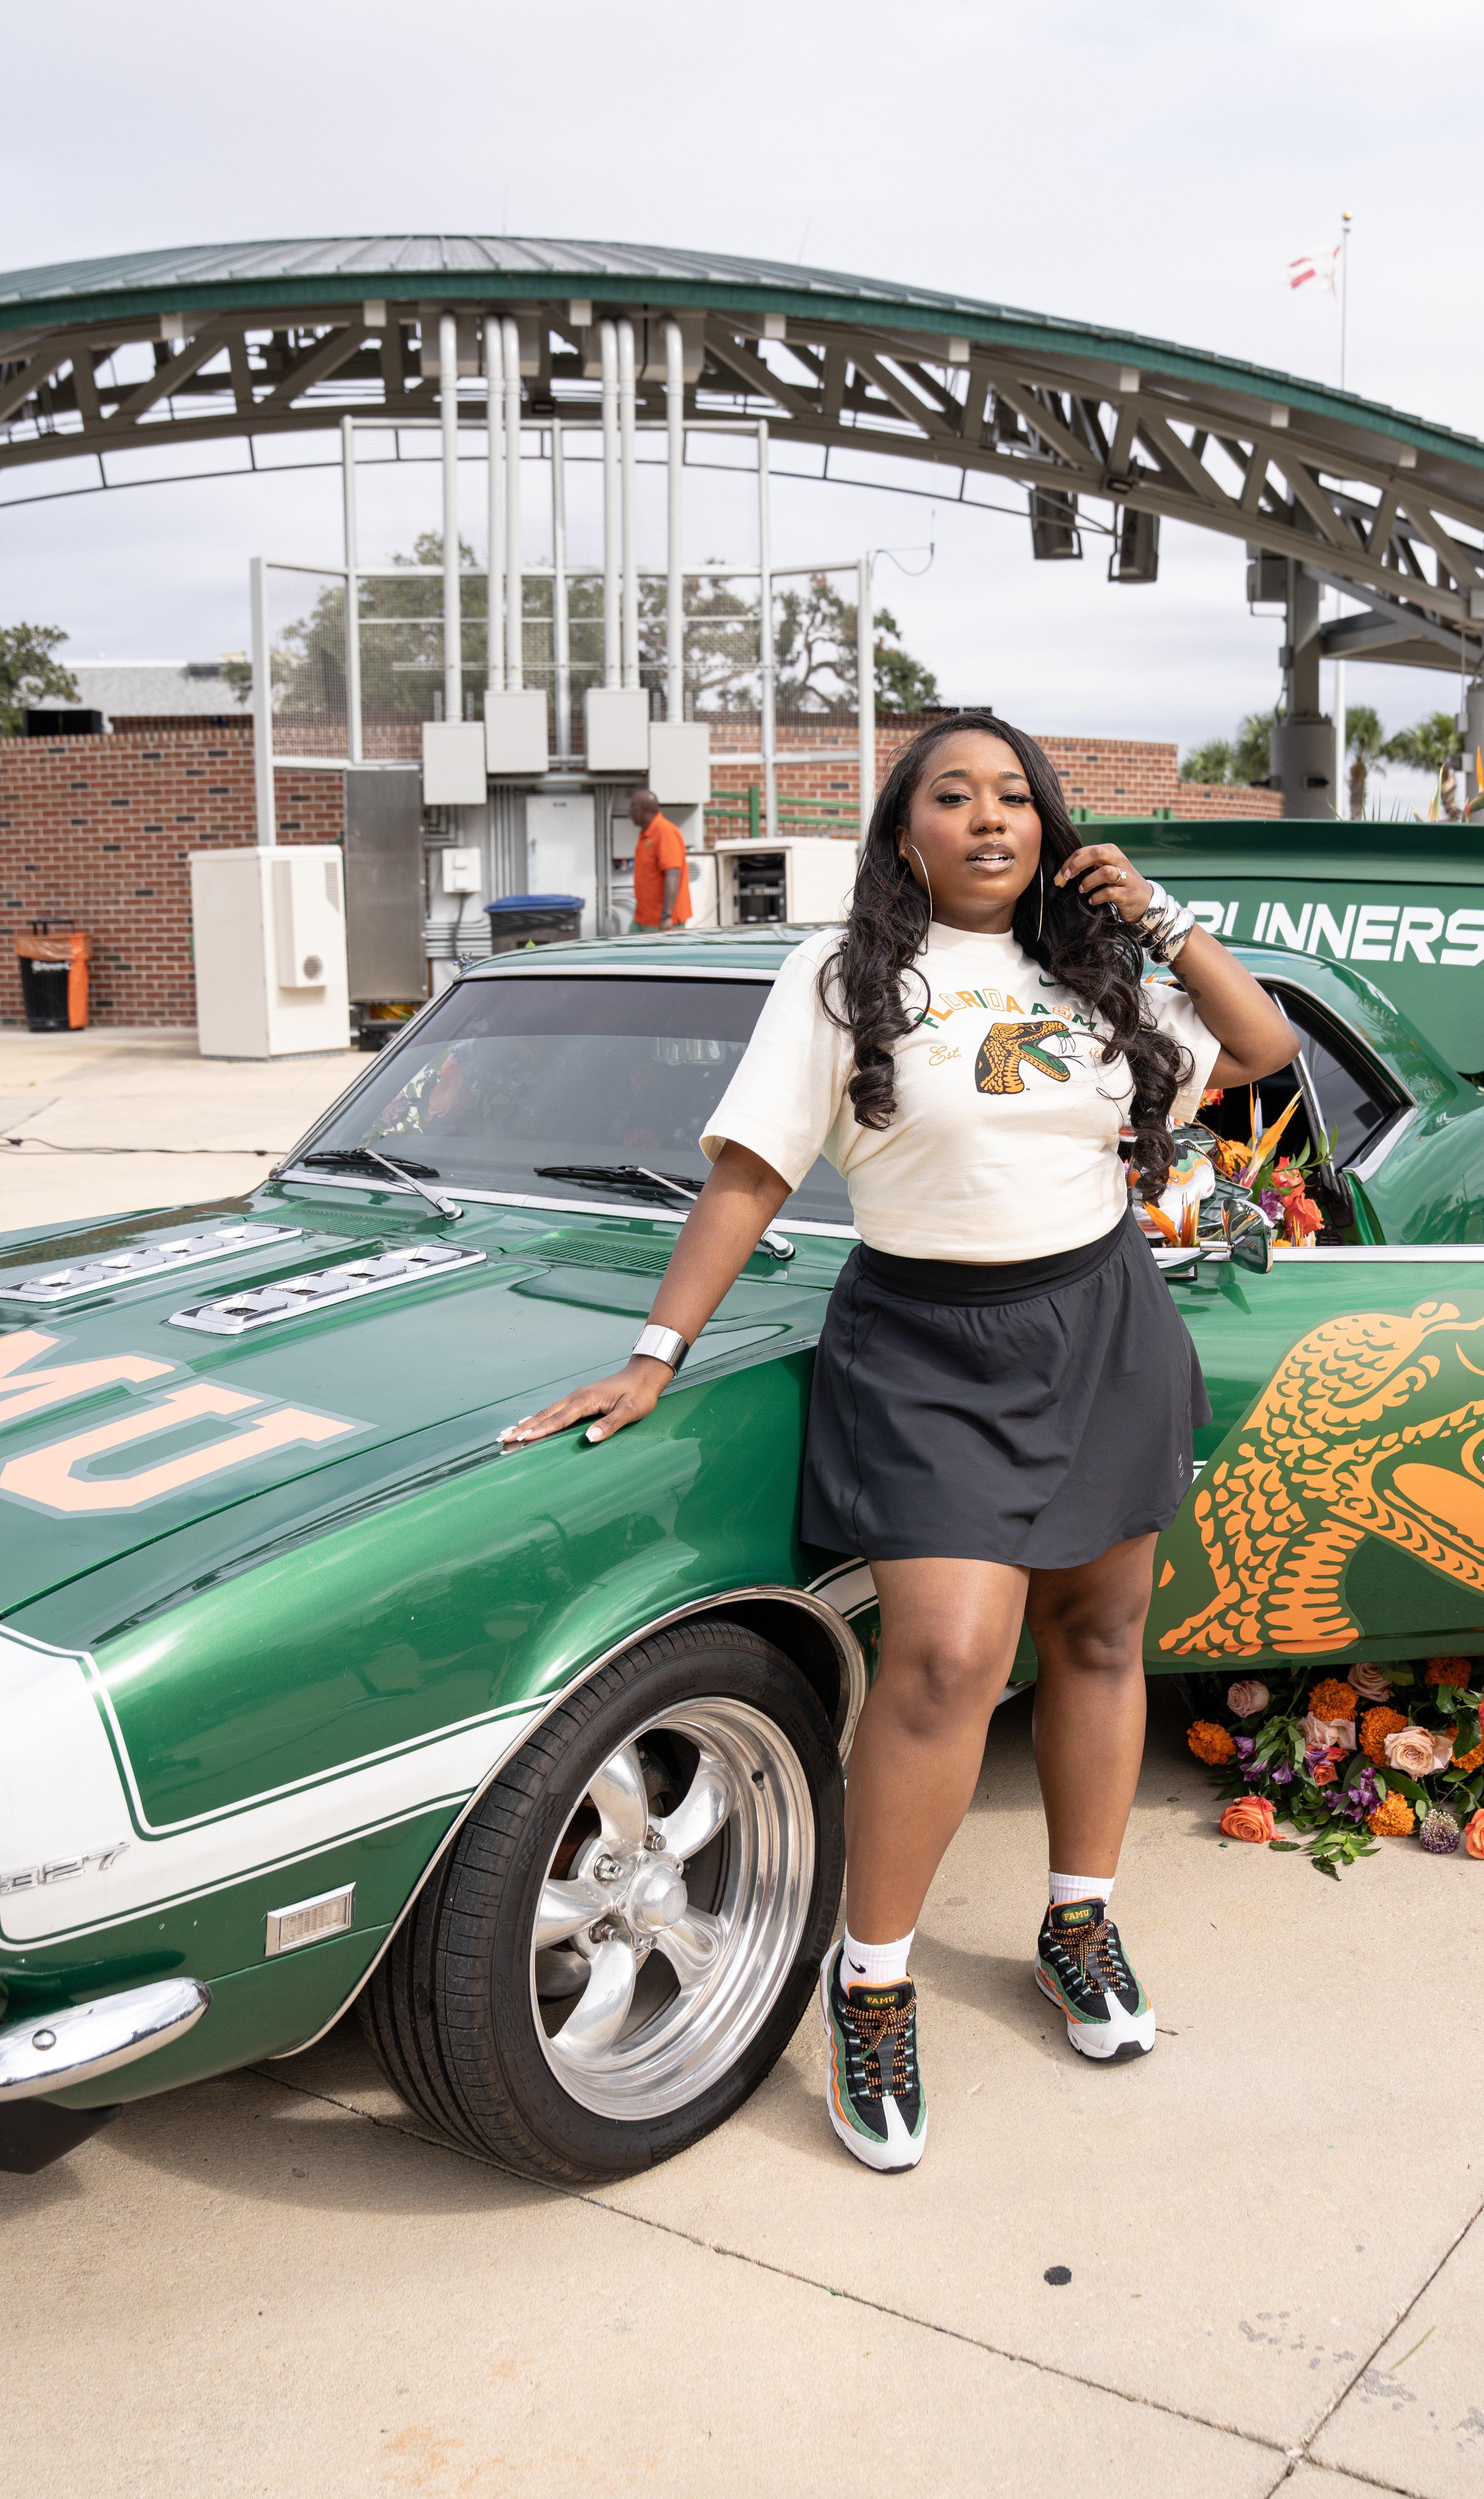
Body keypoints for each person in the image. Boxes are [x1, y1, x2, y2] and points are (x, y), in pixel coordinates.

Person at [501, 714, 1299, 2173]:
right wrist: (651, 1354)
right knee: (944, 1660)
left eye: (1016, 797)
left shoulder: (1093, 970)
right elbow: (750, 1174)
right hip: (929, 1342)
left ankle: (1078, 1919)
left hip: (1104, 1324)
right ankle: (869, 1982)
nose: (990, 820)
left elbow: (1261, 1048)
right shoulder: (842, 975)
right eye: (954, 795)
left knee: (1106, 1634)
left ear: (1050, 827)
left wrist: (1165, 920)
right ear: (904, 827)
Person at [630, 788, 693, 929]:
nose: (629, 812)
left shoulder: (665, 832)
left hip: (661, 922)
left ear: (643, 810)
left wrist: (666, 916)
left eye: (633, 807)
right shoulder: (647, 834)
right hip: (644, 918)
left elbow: (673, 874)